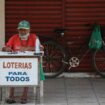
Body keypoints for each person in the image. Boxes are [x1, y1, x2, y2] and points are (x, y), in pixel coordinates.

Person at [2, 20, 44, 104]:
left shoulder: (34, 37)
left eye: (25, 30)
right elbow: (5, 48)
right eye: (20, 30)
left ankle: (24, 96)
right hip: (16, 64)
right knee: (11, 73)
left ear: (29, 30)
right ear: (18, 30)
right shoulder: (14, 37)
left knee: (28, 73)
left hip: (30, 64)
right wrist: (7, 49)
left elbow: (41, 48)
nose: (22, 32)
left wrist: (27, 48)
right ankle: (11, 96)